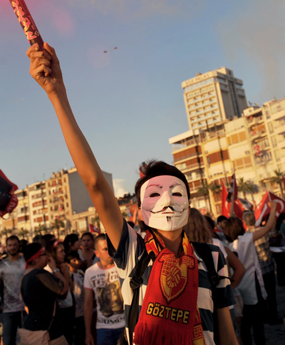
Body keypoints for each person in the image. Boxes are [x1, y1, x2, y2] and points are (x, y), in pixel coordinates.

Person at [27, 42, 237, 345]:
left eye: (176, 193)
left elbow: (226, 333)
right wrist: (56, 94)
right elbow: (96, 185)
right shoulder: (133, 252)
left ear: (189, 203)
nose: (166, 201)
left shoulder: (212, 257)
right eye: (154, 194)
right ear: (140, 210)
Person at [184, 208, 245, 340]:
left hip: (201, 309)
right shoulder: (216, 244)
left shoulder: (184, 251)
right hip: (225, 306)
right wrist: (226, 291)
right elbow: (238, 270)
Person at [224, 201, 277, 345]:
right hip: (253, 286)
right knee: (258, 325)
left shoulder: (227, 246)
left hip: (238, 289)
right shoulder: (246, 239)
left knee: (244, 327)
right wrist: (274, 210)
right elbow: (267, 227)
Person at [18, 243, 69, 345]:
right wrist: (57, 270)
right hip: (49, 332)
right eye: (44, 254)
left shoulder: (24, 276)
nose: (48, 257)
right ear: (36, 258)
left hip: (31, 330)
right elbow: (63, 290)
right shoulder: (40, 274)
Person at [84, 235, 125, 345]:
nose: (110, 252)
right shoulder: (90, 272)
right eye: (106, 249)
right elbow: (87, 303)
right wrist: (88, 333)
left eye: (111, 248)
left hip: (125, 325)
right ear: (97, 253)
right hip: (103, 328)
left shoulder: (123, 267)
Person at [241, 210, 278, 324]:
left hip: (257, 271)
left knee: (261, 295)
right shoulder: (262, 232)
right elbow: (274, 232)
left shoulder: (245, 237)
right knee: (272, 294)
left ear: (244, 222)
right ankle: (274, 316)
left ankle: (264, 317)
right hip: (269, 267)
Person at [0, 235, 25, 345]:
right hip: (8, 310)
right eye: (10, 245)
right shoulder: (0, 265)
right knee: (8, 341)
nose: (12, 247)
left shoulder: (25, 262)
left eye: (15, 245)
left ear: (18, 245)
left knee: (28, 340)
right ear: (6, 247)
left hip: (25, 308)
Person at [50, 241, 75, 345]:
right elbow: (62, 292)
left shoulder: (64, 266)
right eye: (61, 251)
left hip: (69, 307)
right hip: (60, 311)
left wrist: (67, 273)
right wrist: (63, 273)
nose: (64, 254)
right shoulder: (50, 270)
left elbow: (71, 288)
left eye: (64, 251)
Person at [66, 251, 86, 345]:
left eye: (77, 259)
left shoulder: (81, 273)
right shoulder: (68, 276)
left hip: (83, 311)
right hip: (74, 313)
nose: (77, 262)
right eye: (74, 260)